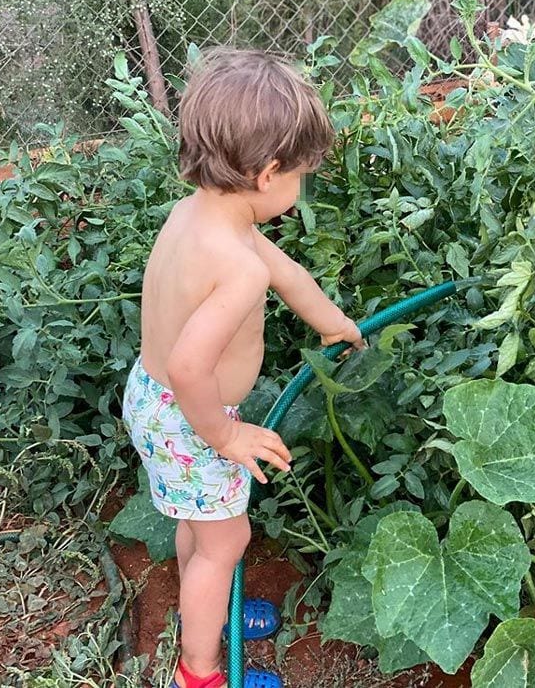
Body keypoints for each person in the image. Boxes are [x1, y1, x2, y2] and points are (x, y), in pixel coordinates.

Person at [122, 49, 363, 688]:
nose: (302, 188)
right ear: (268, 173)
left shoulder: (200, 215)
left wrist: (332, 322)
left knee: (202, 530)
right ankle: (199, 672)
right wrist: (225, 436)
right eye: (301, 176)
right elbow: (189, 364)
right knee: (227, 541)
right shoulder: (236, 265)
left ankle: (205, 597)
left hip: (153, 399)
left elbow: (289, 274)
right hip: (189, 416)